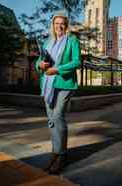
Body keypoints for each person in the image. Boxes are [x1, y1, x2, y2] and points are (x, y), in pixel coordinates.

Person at [34, 11, 81, 174]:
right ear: (52, 26)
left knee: (58, 116)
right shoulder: (47, 42)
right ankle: (55, 153)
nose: (59, 26)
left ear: (66, 25)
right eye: (56, 23)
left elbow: (76, 62)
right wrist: (39, 65)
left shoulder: (72, 41)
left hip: (65, 84)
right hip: (47, 84)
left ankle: (62, 155)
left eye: (62, 23)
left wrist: (57, 69)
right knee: (51, 119)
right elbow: (39, 61)